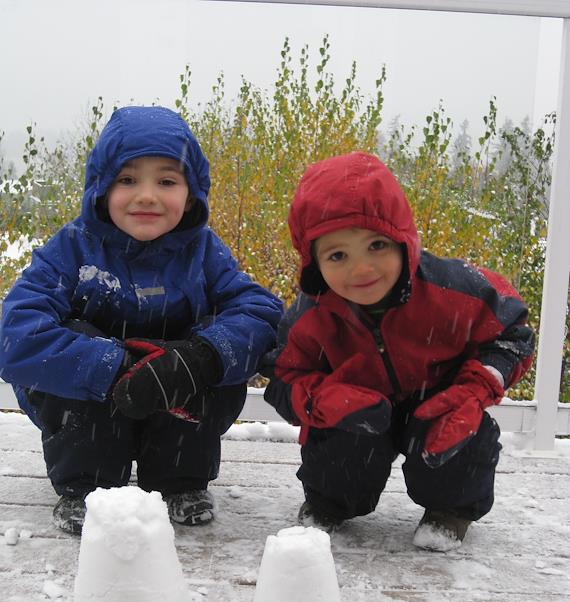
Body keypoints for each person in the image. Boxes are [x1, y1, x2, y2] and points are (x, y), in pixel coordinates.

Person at [0, 106, 282, 535]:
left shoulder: (204, 251)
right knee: (71, 343)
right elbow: (15, 332)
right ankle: (88, 485)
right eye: (127, 180)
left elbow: (260, 313)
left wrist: (200, 358)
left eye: (166, 181)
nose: (147, 196)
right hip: (93, 401)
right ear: (100, 188)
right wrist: (114, 366)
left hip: (178, 405)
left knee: (216, 342)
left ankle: (180, 480)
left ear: (191, 193)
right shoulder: (71, 249)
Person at [262, 151, 534, 551]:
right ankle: (329, 501)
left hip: (438, 398)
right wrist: (325, 400)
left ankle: (450, 509)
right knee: (343, 446)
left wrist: (474, 389)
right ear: (314, 263)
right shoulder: (310, 316)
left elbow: (512, 332)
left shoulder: (452, 289)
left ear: (403, 239)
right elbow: (283, 377)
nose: (362, 269)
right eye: (338, 255)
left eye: (376, 245)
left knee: (457, 436)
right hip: (360, 406)